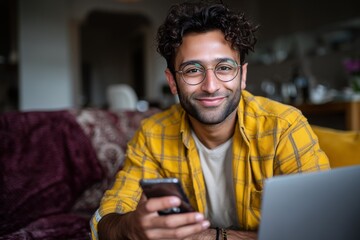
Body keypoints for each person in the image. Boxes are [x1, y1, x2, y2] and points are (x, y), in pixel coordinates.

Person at [90, 1, 330, 239]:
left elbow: (320, 225)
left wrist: (211, 237)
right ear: (172, 81)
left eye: (224, 67)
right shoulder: (153, 134)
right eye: (193, 70)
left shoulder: (284, 126)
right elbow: (107, 214)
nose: (211, 86)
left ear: (242, 75)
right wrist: (129, 228)